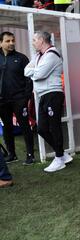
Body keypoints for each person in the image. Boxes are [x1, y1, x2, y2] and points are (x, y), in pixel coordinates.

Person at [24, 31, 73, 173]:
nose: (33, 42)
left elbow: (38, 75)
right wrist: (35, 71)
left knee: (54, 126)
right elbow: (26, 71)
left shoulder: (52, 54)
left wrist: (35, 71)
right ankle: (62, 154)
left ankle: (59, 158)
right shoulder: (38, 55)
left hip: (53, 94)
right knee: (41, 129)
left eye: (34, 40)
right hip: (43, 95)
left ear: (41, 40)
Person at [0, 31, 35, 165]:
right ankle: (12, 154)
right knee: (7, 127)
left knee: (25, 126)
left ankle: (30, 155)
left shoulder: (21, 58)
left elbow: (29, 79)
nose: (11, 43)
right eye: (8, 41)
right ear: (1, 43)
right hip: (2, 100)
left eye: (13, 40)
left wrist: (25, 97)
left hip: (19, 99)